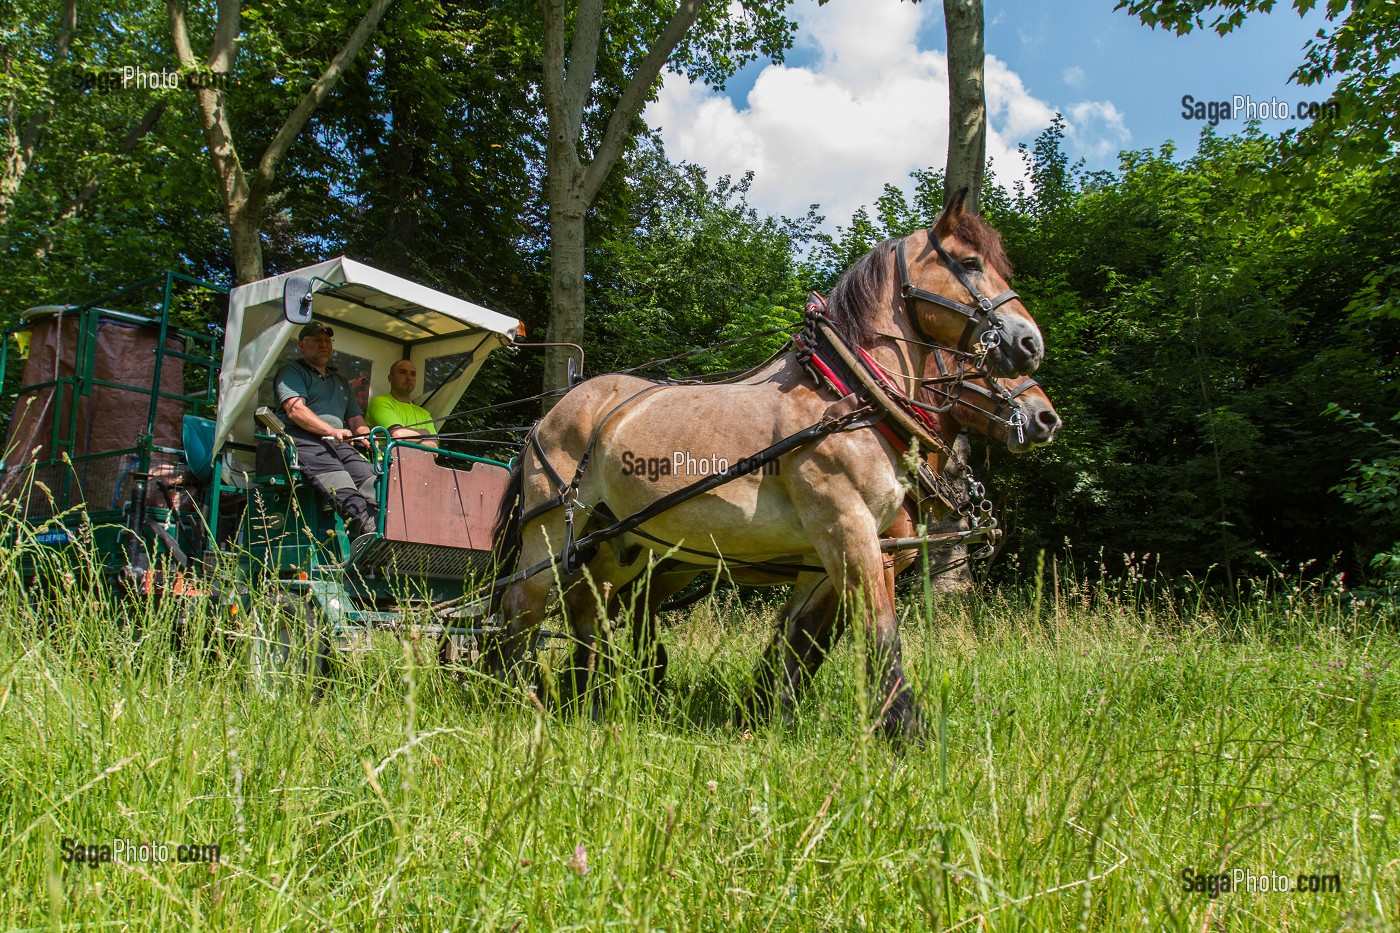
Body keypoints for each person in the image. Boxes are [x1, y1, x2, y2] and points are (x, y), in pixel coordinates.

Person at [274, 320, 379, 539]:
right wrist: (332, 430)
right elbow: (295, 411)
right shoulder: (292, 371)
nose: (324, 345)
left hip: (337, 443)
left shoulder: (340, 381)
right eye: (317, 341)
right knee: (341, 484)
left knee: (375, 482)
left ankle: (386, 525)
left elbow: (354, 418)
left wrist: (365, 434)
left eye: (327, 341)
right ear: (302, 346)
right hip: (302, 439)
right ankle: (368, 531)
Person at [365, 359, 439, 448]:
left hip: (418, 462)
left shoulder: (424, 413)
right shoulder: (379, 402)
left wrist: (410, 438)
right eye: (403, 372)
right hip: (385, 460)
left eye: (413, 374)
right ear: (390, 378)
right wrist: (425, 433)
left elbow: (435, 447)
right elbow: (399, 435)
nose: (409, 378)